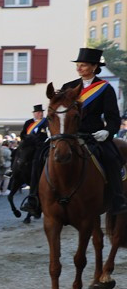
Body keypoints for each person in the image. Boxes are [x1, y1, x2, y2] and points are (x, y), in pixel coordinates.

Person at [23, 48, 127, 216]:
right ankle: (34, 198)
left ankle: (117, 198)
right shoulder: (68, 86)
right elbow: (58, 112)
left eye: (83, 65)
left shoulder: (105, 88)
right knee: (38, 157)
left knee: (111, 158)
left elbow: (113, 117)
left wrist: (107, 131)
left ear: (94, 67)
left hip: (94, 134)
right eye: (78, 65)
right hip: (67, 134)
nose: (79, 68)